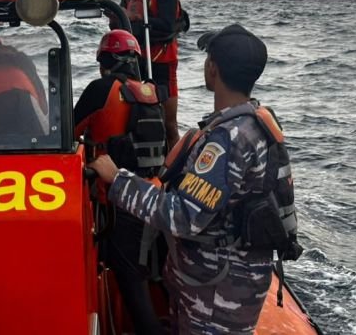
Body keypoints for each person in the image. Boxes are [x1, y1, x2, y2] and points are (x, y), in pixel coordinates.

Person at [89, 24, 301, 334]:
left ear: (212, 68)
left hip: (217, 296)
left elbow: (182, 216)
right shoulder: (253, 125)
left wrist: (116, 179)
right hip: (227, 285)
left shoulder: (227, 140)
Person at [74, 30, 166, 334]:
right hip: (154, 197)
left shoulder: (101, 89)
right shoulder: (151, 93)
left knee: (131, 282)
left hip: (118, 204)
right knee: (145, 275)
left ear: (105, 60)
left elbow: (68, 133)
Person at [109, 0, 188, 150]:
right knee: (133, 120)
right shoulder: (126, 0)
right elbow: (120, 32)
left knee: (169, 125)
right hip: (137, 65)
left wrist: (135, 20)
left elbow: (168, 25)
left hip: (163, 64)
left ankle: (173, 169)